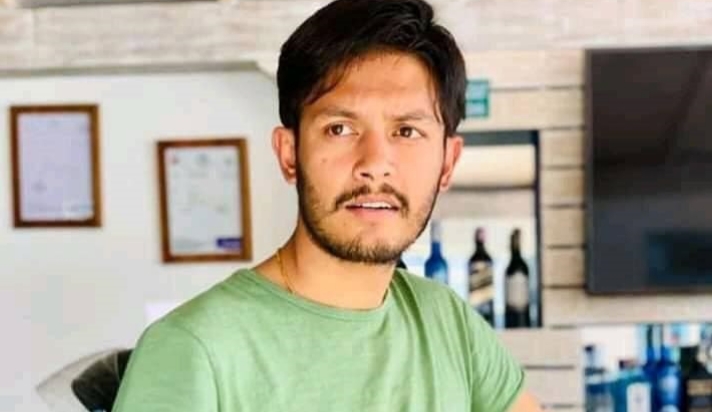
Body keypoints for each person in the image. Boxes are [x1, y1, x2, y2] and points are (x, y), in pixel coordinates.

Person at [112, 0, 543, 411]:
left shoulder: (450, 324)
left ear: (447, 163)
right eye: (340, 128)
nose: (375, 164)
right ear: (289, 154)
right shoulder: (192, 349)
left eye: (406, 132)